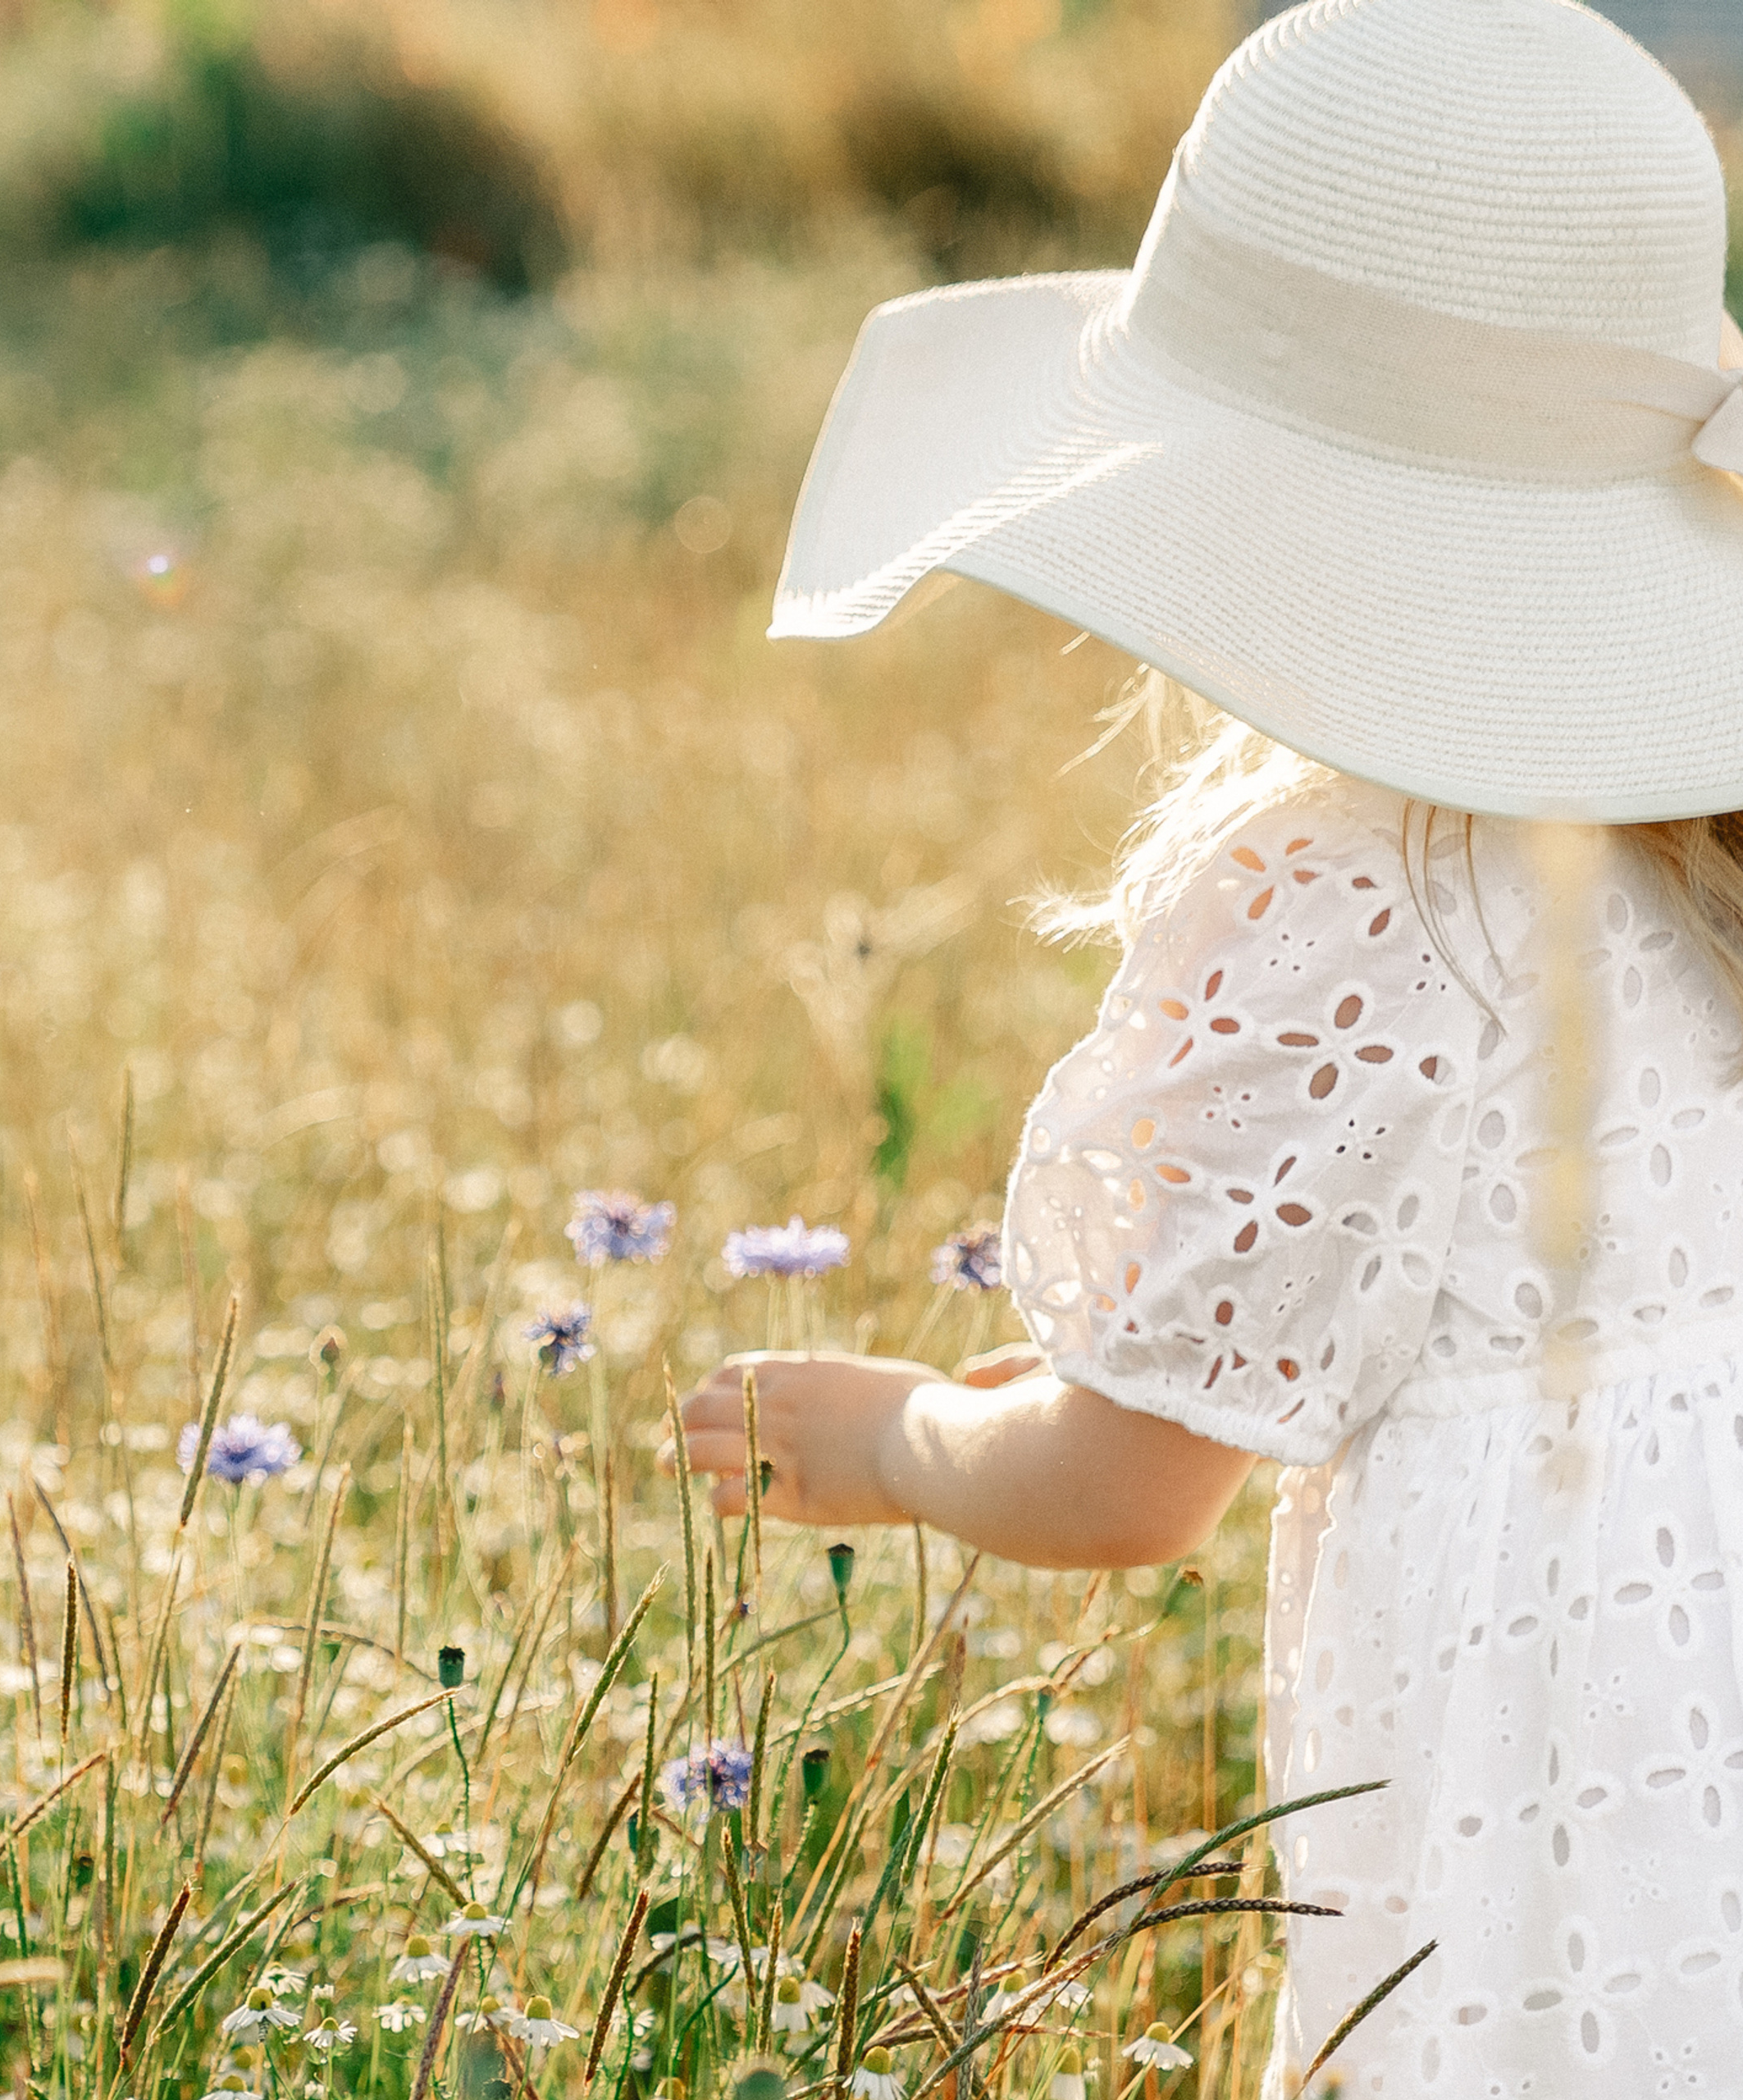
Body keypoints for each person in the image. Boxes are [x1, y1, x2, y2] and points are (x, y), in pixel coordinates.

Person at [670, 0, 1743, 2089]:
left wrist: (901, 1441)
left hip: (1552, 1753)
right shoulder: (1695, 839)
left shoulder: (1342, 890)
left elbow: (1127, 1477)